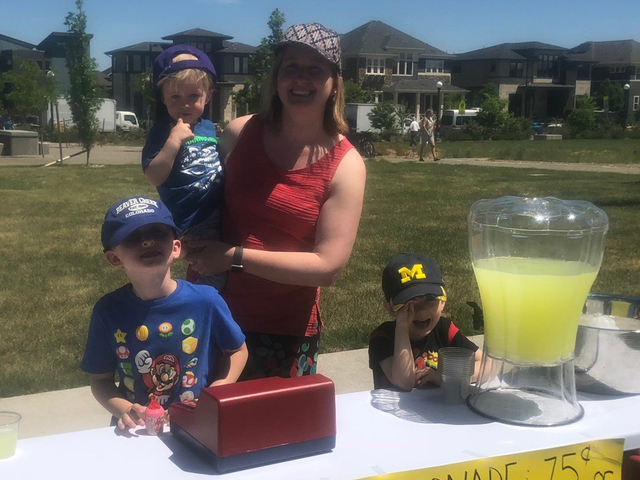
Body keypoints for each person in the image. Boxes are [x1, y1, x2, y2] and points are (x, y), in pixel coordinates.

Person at [186, 23, 366, 379]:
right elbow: (198, 197)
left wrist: (233, 257)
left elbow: (328, 267)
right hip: (208, 312)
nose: (301, 79)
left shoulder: (346, 165)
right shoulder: (239, 133)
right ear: (277, 77)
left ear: (334, 82)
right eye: (291, 68)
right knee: (196, 424)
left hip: (282, 330)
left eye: (315, 69)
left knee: (274, 431)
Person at [80, 196, 247, 430]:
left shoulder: (205, 301)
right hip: (137, 430)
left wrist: (217, 392)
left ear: (176, 247)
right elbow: (100, 380)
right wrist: (124, 409)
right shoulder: (108, 311)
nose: (147, 242)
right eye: (133, 237)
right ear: (115, 258)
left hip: (196, 422)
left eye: (158, 233)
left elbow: (237, 350)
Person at [141, 44, 223, 287]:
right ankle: (207, 308)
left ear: (207, 96)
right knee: (210, 271)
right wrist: (173, 141)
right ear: (163, 99)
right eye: (175, 97)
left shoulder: (209, 128)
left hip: (219, 209)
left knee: (224, 265)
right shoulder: (162, 132)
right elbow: (154, 176)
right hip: (191, 218)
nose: (184, 104)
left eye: (193, 96)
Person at [368, 253, 481, 391]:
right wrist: (402, 327)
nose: (420, 311)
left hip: (435, 410)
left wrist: (446, 377)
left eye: (430, 300)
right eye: (409, 305)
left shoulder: (444, 330)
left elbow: (488, 364)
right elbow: (404, 381)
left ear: (442, 302)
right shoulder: (382, 337)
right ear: (391, 309)